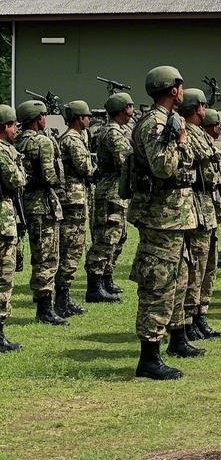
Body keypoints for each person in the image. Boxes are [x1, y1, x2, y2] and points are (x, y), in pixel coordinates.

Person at [127, 65, 198, 380]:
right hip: (161, 216)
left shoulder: (169, 121)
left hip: (174, 215)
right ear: (173, 90)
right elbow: (164, 168)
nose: (183, 92)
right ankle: (149, 358)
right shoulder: (156, 125)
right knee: (158, 284)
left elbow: (187, 162)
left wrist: (181, 140)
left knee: (178, 278)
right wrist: (179, 141)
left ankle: (177, 338)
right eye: (181, 86)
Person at [15, 98, 66, 326]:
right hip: (44, 205)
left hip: (26, 203)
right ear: (38, 119)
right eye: (44, 115)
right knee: (47, 257)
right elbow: (51, 176)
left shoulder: (16, 141)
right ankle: (45, 309)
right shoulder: (42, 142)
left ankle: (43, 303)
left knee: (38, 254)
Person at [181, 89, 221, 342]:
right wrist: (215, 154)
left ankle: (200, 314)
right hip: (196, 203)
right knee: (195, 264)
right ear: (196, 107)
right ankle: (188, 318)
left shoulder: (197, 132)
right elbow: (209, 157)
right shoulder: (190, 131)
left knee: (208, 263)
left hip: (208, 204)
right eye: (203, 106)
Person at [84, 92, 134, 302]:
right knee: (106, 237)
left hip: (118, 189)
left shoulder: (121, 130)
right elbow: (126, 157)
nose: (133, 111)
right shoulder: (112, 132)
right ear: (123, 109)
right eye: (130, 106)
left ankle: (106, 278)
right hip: (110, 190)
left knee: (118, 236)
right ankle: (95, 286)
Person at [57, 100, 94, 317]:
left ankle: (64, 297)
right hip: (73, 200)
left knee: (72, 247)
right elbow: (85, 167)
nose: (89, 119)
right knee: (71, 247)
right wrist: (93, 168)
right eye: (87, 116)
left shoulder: (76, 138)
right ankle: (62, 301)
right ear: (80, 118)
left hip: (74, 198)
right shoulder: (73, 140)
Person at [0, 104, 27, 353]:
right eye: (13, 125)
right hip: (3, 221)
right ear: (4, 127)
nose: (16, 129)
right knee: (3, 277)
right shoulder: (3, 152)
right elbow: (17, 180)